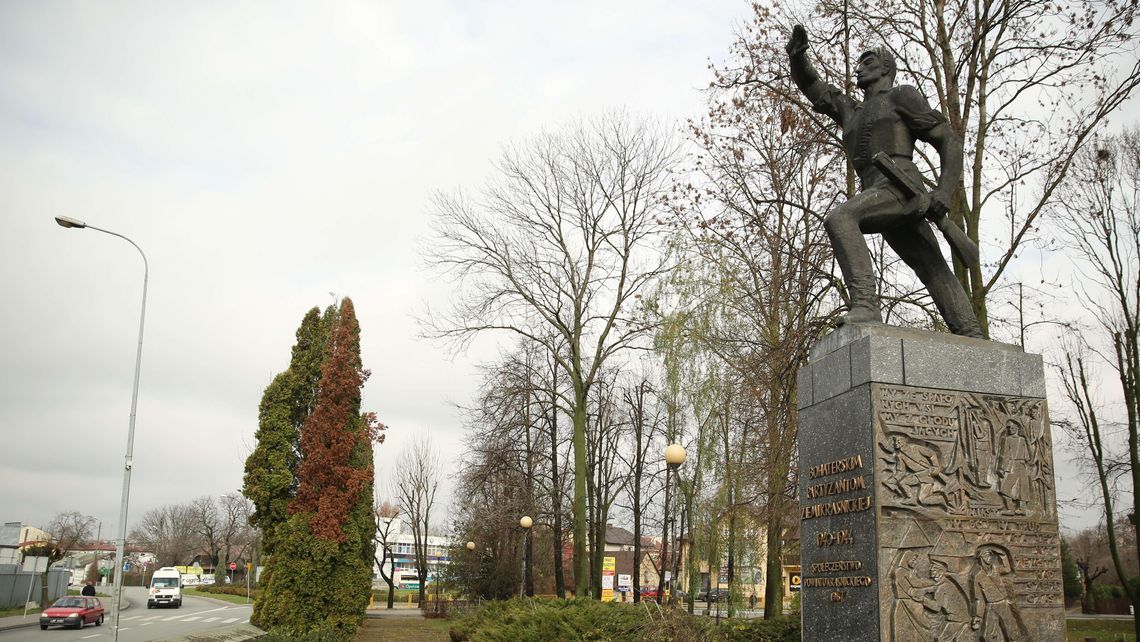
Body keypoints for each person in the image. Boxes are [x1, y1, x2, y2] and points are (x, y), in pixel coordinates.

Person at [785, 25, 983, 337]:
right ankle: (970, 331)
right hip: (876, 187)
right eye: (859, 64)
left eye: (867, 63)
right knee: (929, 264)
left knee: (841, 218)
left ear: (885, 68)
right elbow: (814, 86)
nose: (859, 69)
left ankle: (866, 303)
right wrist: (798, 59)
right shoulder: (851, 110)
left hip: (900, 185)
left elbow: (950, 141)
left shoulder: (900, 96)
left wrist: (943, 191)